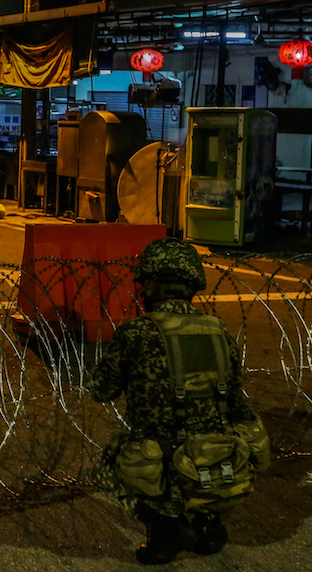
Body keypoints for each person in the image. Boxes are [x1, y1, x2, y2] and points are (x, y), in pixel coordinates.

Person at [88, 238, 270, 565]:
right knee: (205, 445)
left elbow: (100, 390)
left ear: (152, 286)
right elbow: (235, 400)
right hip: (215, 459)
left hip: (160, 460)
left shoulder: (137, 333)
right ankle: (208, 526)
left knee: (110, 461)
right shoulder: (220, 333)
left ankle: (165, 533)